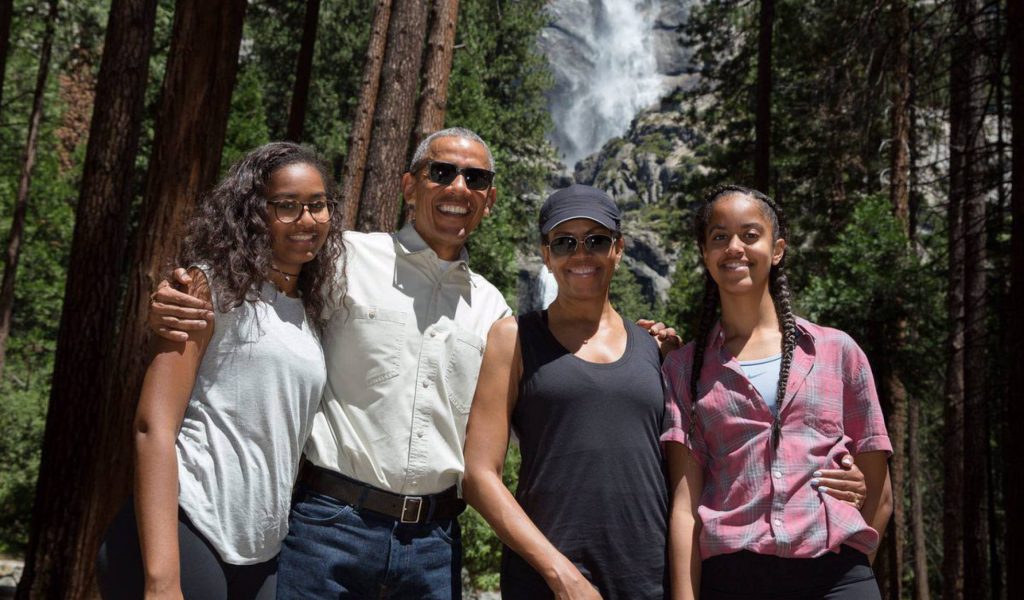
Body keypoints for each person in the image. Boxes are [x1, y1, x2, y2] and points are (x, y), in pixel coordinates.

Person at [147, 128, 509, 599]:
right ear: (409, 186)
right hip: (328, 528)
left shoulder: (494, 310)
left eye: (475, 178)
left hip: (433, 547)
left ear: (490, 198)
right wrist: (172, 297)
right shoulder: (341, 257)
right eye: (441, 172)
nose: (458, 187)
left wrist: (640, 346)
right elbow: (249, 276)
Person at [461, 185, 870, 600]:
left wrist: (831, 476)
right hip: (548, 580)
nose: (581, 254)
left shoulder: (661, 352)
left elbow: (711, 462)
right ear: (546, 254)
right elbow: (478, 476)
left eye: (597, 240)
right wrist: (560, 574)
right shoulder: (512, 338)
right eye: (565, 242)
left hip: (648, 579)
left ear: (618, 250)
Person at [96, 142, 345, 599]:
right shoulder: (209, 287)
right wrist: (162, 580)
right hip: (186, 527)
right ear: (253, 212)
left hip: (261, 553)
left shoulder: (308, 311)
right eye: (286, 206)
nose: (307, 220)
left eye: (317, 204)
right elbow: (153, 427)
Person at [661, 185, 893, 599]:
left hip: (836, 575)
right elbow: (685, 508)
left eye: (750, 235)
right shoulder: (684, 369)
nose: (734, 247)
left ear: (778, 248)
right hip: (734, 580)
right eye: (719, 237)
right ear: (704, 254)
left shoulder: (838, 352)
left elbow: (879, 491)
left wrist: (850, 573)